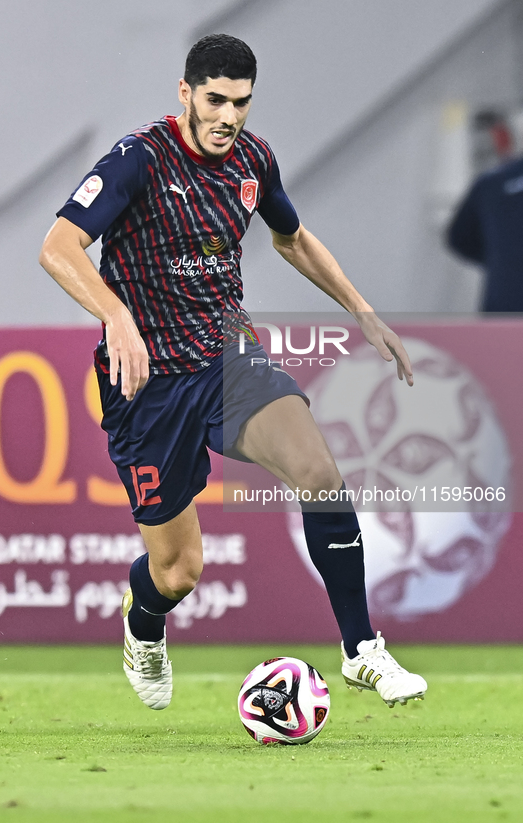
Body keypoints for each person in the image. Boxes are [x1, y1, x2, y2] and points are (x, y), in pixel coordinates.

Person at [40, 34, 427, 712]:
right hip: (148, 383)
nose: (227, 116)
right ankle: (143, 622)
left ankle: (361, 649)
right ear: (185, 93)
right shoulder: (138, 159)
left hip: (225, 355)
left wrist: (361, 309)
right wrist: (116, 317)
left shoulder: (252, 160)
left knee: (318, 470)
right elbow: (58, 244)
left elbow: (290, 236)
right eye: (215, 100)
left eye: (240, 103)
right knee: (178, 570)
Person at [446, 154, 523, 311]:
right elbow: (460, 238)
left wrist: (501, 260)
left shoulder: (492, 181)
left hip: (502, 309)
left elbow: (460, 239)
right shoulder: (492, 183)